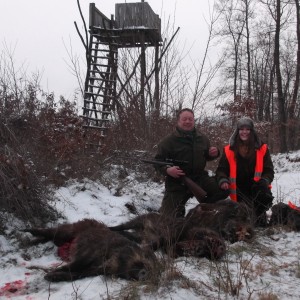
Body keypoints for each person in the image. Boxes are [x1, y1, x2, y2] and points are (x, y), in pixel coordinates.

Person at [154, 108, 229, 218]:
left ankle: (203, 212)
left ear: (194, 120)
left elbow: (207, 156)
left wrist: (214, 153)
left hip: (199, 178)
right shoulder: (168, 141)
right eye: (184, 119)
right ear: (178, 121)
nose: (188, 121)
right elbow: (157, 161)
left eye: (190, 119)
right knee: (168, 219)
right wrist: (167, 170)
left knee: (222, 190)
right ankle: (179, 211)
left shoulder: (202, 138)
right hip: (177, 181)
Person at [216, 117, 274, 226]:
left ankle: (260, 215)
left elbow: (269, 170)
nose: (244, 132)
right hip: (237, 191)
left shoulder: (262, 148)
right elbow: (221, 170)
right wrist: (223, 180)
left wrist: (265, 181)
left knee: (258, 223)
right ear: (237, 131)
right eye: (241, 129)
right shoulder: (229, 149)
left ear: (252, 131)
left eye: (247, 129)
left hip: (256, 189)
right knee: (240, 220)